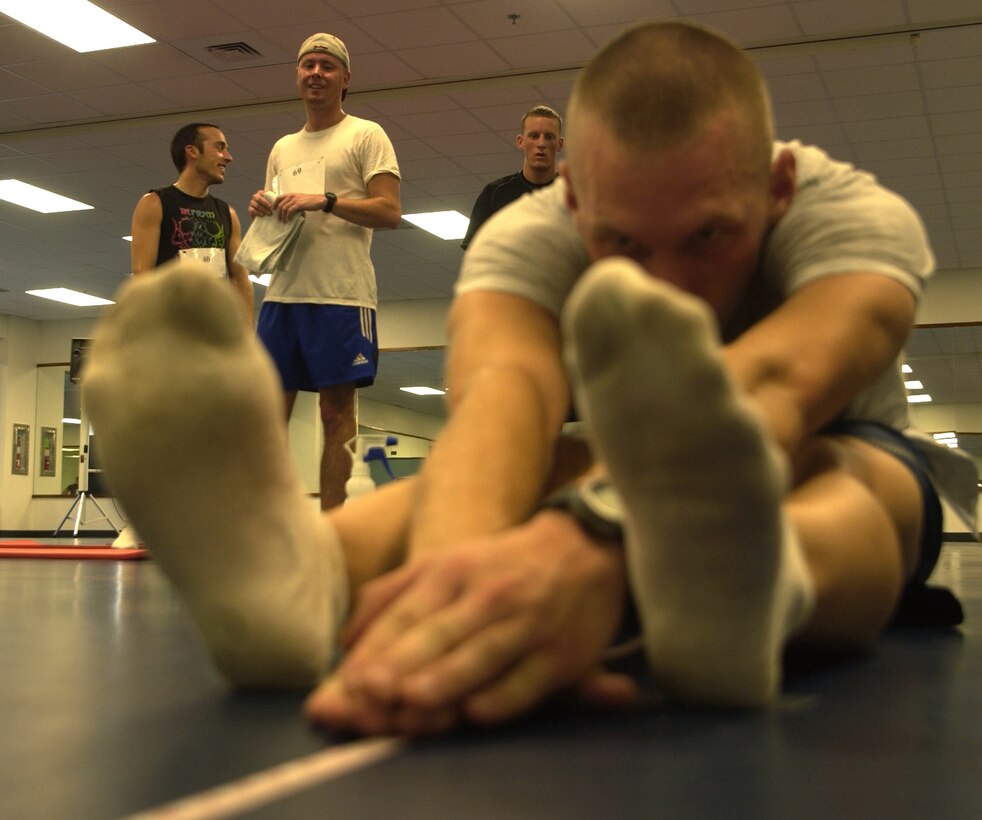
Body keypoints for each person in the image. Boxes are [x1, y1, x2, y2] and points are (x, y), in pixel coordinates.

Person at [82, 21, 977, 737]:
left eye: (709, 237)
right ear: (576, 200)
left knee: (852, 480)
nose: (664, 280)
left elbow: (783, 385)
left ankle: (753, 583)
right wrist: (461, 580)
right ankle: (291, 585)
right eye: (623, 243)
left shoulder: (853, 214)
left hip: (826, 458)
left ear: (777, 187)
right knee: (524, 468)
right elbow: (500, 406)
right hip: (609, 458)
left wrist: (595, 540)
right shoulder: (528, 233)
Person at [247, 33, 401, 509]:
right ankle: (269, 527)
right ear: (297, 75)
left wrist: (328, 200)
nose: (316, 73)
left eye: (326, 66)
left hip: (341, 296)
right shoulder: (282, 147)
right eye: (307, 65)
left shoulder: (366, 134)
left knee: (335, 413)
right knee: (269, 417)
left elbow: (390, 211)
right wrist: (262, 204)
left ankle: (334, 528)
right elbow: (282, 213)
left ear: (345, 78)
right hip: (283, 296)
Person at [129, 122, 254, 323]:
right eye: (220, 148)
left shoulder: (227, 213)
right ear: (192, 151)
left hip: (214, 330)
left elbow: (240, 281)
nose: (228, 157)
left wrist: (247, 340)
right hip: (170, 329)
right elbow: (142, 277)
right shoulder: (154, 203)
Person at [459, 105, 564, 250]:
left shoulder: (576, 194)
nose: (541, 144)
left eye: (549, 137)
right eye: (534, 136)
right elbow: (475, 254)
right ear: (521, 141)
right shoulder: (494, 194)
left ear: (560, 144)